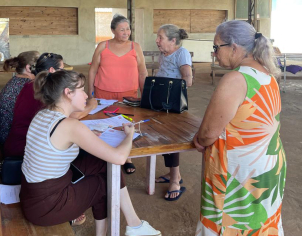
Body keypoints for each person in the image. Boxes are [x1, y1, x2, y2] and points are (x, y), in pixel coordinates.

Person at [20, 70, 161, 236]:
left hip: (31, 196)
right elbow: (120, 158)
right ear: (68, 93)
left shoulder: (43, 114)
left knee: (100, 163)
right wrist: (129, 135)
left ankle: (134, 225)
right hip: (48, 206)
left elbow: (55, 146)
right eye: (81, 90)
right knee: (103, 182)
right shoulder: (70, 125)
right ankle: (133, 227)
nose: (86, 95)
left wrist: (86, 137)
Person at [193, 20, 285, 235]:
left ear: (234, 47)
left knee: (229, 225)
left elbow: (208, 133)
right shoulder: (268, 76)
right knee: (260, 223)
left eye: (216, 47)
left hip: (237, 172)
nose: (214, 53)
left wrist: (200, 140)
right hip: (267, 165)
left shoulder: (236, 79)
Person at [3, 53, 98, 158]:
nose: (64, 75)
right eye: (62, 70)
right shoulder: (44, 90)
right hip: (24, 148)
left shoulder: (32, 84)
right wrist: (91, 105)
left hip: (24, 143)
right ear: (52, 70)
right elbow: (72, 116)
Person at [88, 14, 147, 174]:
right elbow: (93, 70)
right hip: (103, 93)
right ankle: (104, 156)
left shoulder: (136, 47)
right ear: (113, 30)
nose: (126, 32)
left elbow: (142, 72)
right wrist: (90, 94)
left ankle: (127, 157)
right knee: (103, 125)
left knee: (127, 125)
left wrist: (146, 95)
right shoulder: (103, 46)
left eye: (128, 29)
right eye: (122, 29)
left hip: (129, 95)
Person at [153, 24, 193, 201]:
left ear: (173, 40)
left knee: (172, 142)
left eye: (160, 37)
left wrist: (170, 91)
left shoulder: (181, 53)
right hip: (161, 102)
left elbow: (188, 80)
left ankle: (175, 181)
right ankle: (172, 174)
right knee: (162, 139)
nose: (157, 41)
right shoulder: (163, 55)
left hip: (173, 104)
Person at [0, 51, 40, 144]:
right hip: (10, 139)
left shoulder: (15, 81)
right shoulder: (29, 86)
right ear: (28, 68)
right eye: (40, 66)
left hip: (3, 134)